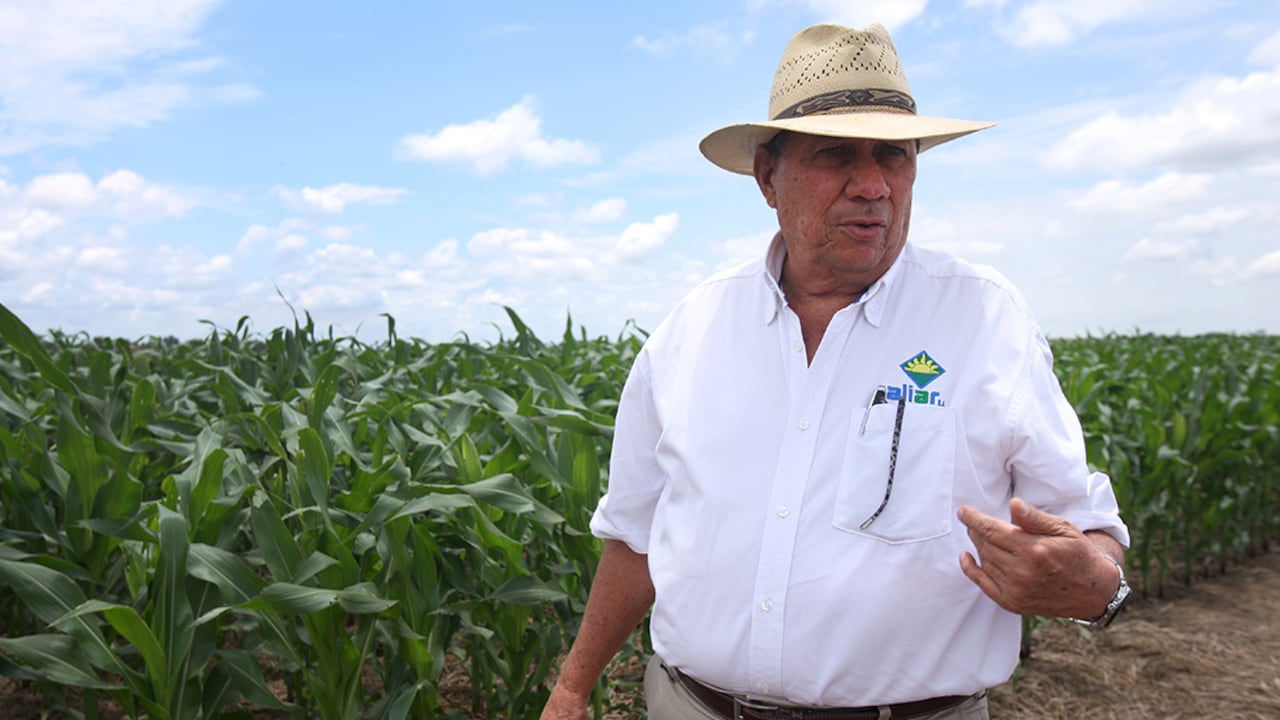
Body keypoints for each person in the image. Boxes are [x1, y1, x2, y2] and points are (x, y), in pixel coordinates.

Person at [541, 22, 1130, 720]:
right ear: (768, 176)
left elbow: (1084, 530)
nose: (874, 185)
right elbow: (635, 536)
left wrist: (1097, 586)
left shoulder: (986, 320)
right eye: (835, 155)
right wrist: (574, 686)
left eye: (894, 155)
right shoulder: (689, 333)